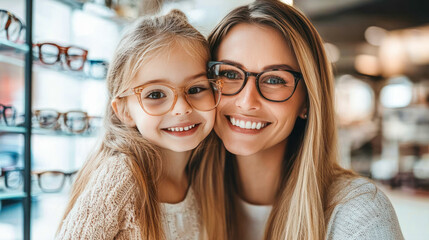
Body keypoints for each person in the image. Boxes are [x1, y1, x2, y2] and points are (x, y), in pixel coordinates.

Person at [207, 0, 404, 239]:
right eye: (229, 74)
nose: (247, 102)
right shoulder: (176, 197)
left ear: (307, 101)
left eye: (274, 80)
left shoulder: (359, 212)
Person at [56, 10, 226, 240]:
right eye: (156, 94)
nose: (181, 108)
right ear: (125, 111)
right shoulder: (121, 176)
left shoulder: (205, 170)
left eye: (196, 89)